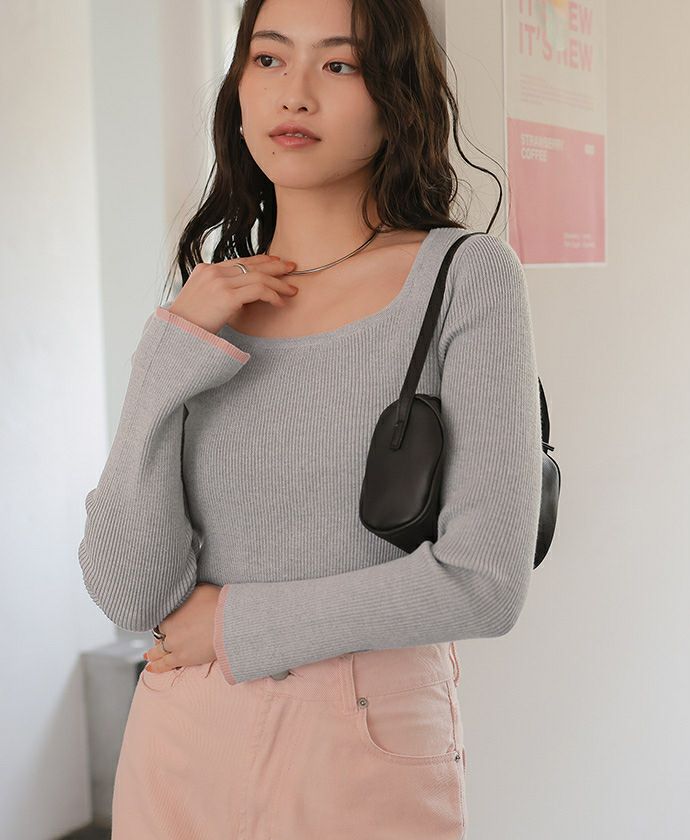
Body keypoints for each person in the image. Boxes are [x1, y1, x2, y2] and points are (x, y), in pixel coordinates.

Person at [77, 0, 542, 837]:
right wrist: (166, 350)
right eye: (268, 59)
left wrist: (236, 625)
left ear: (395, 95)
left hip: (359, 736)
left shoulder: (466, 278)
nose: (294, 93)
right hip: (178, 735)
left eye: (338, 64)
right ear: (238, 89)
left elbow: (485, 583)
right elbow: (130, 591)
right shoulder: (209, 306)